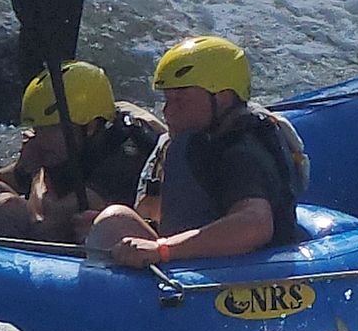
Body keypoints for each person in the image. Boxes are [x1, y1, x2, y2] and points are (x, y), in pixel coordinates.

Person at [86, 36, 309, 267]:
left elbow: (255, 225)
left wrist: (161, 250)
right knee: (114, 222)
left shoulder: (242, 151)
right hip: (200, 266)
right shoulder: (207, 142)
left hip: (241, 276)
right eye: (167, 100)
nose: (167, 112)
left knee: (112, 223)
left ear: (222, 97)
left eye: (180, 101)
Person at [0, 61, 165, 242]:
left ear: (89, 127)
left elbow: (50, 226)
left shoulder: (124, 156)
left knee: (7, 212)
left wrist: (34, 176)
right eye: (37, 129)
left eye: (49, 130)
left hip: (102, 248)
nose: (38, 138)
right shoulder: (66, 144)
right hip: (53, 228)